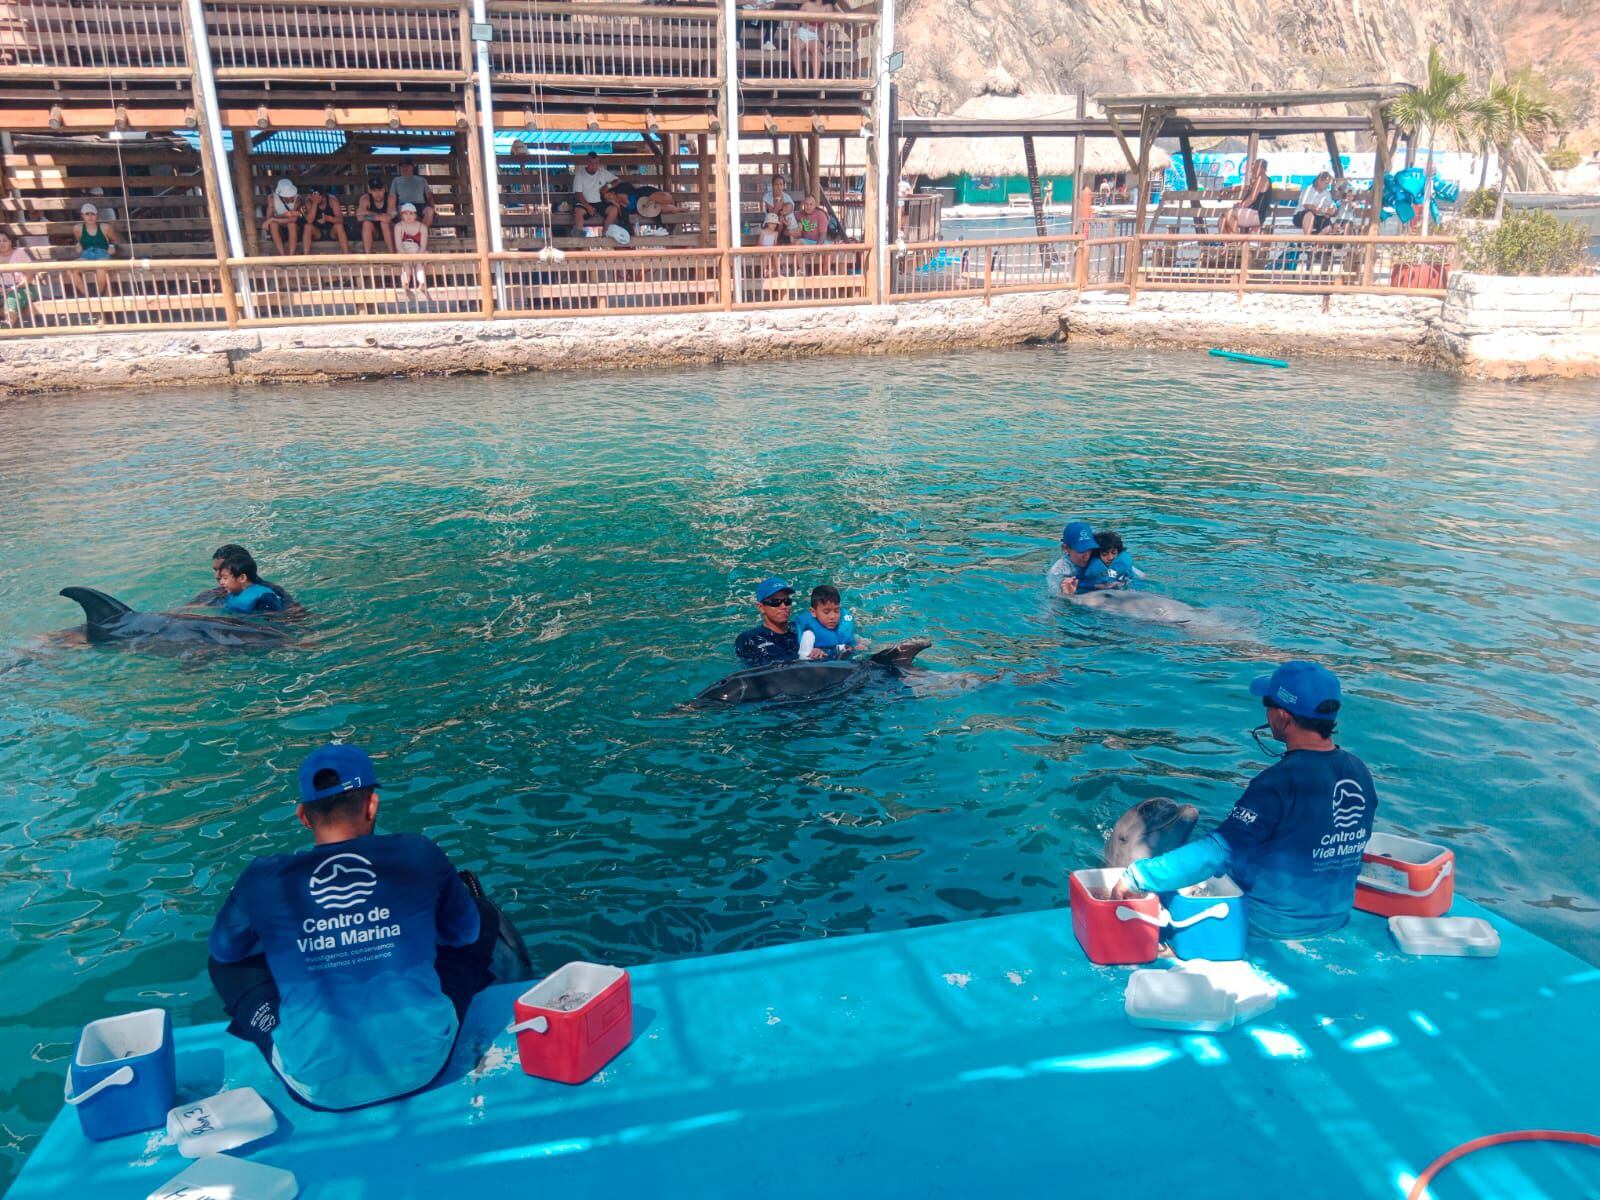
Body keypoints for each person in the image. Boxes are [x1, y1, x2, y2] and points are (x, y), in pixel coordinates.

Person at [208, 743, 513, 1111]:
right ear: (372, 806)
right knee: (478, 914)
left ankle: (273, 1023)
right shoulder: (417, 854)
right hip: (424, 1064)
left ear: (304, 816)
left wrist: (315, 940)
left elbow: (226, 950)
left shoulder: (262, 877)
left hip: (316, 1088)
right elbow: (463, 934)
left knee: (224, 960)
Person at [1112, 661, 1377, 939]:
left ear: (1283, 716)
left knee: (1156, 904)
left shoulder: (1279, 781)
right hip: (1335, 917)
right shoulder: (1359, 770)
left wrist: (1137, 877)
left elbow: (1218, 851)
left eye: (1268, 703)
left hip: (1270, 924)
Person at [190, 543, 298, 610]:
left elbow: (294, 616)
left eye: (222, 571)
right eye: (215, 570)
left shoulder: (271, 594)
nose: (217, 575)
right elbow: (187, 608)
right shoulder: (213, 594)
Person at [734, 576, 799, 667]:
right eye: (775, 602)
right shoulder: (750, 639)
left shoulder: (801, 629)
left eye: (787, 601)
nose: (784, 606)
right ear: (761, 607)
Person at [796, 584, 864, 660]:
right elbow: (803, 662)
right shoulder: (809, 634)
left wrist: (859, 643)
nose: (833, 616)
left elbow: (851, 638)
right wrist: (813, 655)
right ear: (813, 612)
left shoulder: (843, 624)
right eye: (826, 612)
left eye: (836, 611)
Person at [1046, 520, 1112, 597]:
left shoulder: (1101, 556)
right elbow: (1054, 604)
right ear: (1066, 548)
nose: (1087, 555)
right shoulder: (1058, 572)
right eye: (1081, 550)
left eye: (1089, 548)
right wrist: (1067, 595)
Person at [215, 549, 287, 615]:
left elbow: (273, 620)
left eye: (225, 578)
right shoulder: (231, 593)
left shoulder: (265, 597)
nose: (221, 582)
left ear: (242, 578)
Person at [73, 202, 119, 295]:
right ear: (82, 216)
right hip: (87, 255)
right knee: (70, 269)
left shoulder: (105, 227)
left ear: (96, 215)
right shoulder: (77, 228)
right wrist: (79, 245)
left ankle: (98, 295)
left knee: (100, 266)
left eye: (92, 214)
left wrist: (112, 246)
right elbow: (79, 241)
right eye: (87, 214)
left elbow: (116, 240)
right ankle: (87, 295)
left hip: (102, 254)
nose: (90, 217)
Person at [571, 154, 619, 235]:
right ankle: (579, 238)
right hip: (585, 203)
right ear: (587, 163)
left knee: (614, 210)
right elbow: (578, 194)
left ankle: (605, 233)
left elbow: (617, 180)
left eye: (596, 163)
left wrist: (608, 186)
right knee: (578, 212)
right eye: (592, 163)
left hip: (600, 202)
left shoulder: (602, 172)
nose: (594, 166)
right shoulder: (580, 174)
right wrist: (588, 207)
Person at [1, 230, 36, 327]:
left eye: (5, 240)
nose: (1, 243)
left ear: (10, 242)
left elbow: (30, 273)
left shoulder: (19, 253)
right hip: (2, 289)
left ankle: (8, 324)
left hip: (22, 288)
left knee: (12, 298)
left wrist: (15, 287)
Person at [394, 203, 430, 299]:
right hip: (404, 252)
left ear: (415, 215)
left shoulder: (422, 227)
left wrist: (416, 257)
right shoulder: (398, 226)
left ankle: (422, 283)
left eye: (411, 213)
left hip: (418, 252)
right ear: (401, 215)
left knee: (419, 266)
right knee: (406, 267)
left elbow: (423, 246)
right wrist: (407, 257)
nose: (408, 216)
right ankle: (405, 283)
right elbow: (398, 246)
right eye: (406, 213)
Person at [300, 187, 350, 255]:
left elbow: (340, 220)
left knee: (339, 226)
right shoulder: (309, 201)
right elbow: (309, 221)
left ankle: (347, 254)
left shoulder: (332, 200)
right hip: (317, 232)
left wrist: (328, 218)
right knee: (307, 227)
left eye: (315, 196)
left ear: (321, 196)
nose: (312, 198)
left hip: (331, 231)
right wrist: (315, 203)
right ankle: (306, 256)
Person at [388, 162, 435, 229]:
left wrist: (433, 207)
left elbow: (429, 196)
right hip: (404, 204)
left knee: (429, 211)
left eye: (407, 166)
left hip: (420, 205)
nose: (404, 168)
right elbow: (392, 197)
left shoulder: (422, 180)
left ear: (412, 167)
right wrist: (391, 211)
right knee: (403, 211)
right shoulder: (396, 180)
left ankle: (422, 232)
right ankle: (411, 234)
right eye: (402, 167)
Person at [263, 179, 303, 256]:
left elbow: (294, 219)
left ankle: (291, 256)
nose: (289, 197)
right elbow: (269, 218)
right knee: (273, 225)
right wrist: (283, 215)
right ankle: (283, 255)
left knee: (292, 224)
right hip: (280, 228)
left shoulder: (298, 199)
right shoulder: (272, 198)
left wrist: (274, 218)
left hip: (295, 229)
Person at [790, 0, 830, 77]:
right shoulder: (807, 4)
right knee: (795, 49)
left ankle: (815, 80)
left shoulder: (828, 7)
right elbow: (796, 20)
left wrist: (826, 44)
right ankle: (800, 79)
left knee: (816, 50)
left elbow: (826, 27)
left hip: (814, 35)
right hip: (802, 32)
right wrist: (795, 35)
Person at [355, 176, 394, 253]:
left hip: (390, 229)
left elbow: (388, 218)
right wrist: (378, 217)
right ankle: (368, 257)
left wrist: (367, 212)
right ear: (370, 191)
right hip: (375, 231)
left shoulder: (390, 198)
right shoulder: (365, 198)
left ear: (385, 189)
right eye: (374, 190)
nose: (377, 193)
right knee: (366, 223)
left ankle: (392, 254)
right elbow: (359, 217)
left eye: (380, 190)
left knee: (384, 223)